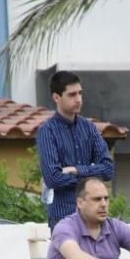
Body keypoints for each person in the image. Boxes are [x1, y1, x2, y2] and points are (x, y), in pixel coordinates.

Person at [36, 71, 115, 229]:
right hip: (63, 220)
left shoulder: (90, 128)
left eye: (80, 93)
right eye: (71, 95)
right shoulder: (47, 131)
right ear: (57, 98)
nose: (78, 99)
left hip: (92, 220)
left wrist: (76, 170)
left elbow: (108, 170)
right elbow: (53, 178)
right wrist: (91, 177)